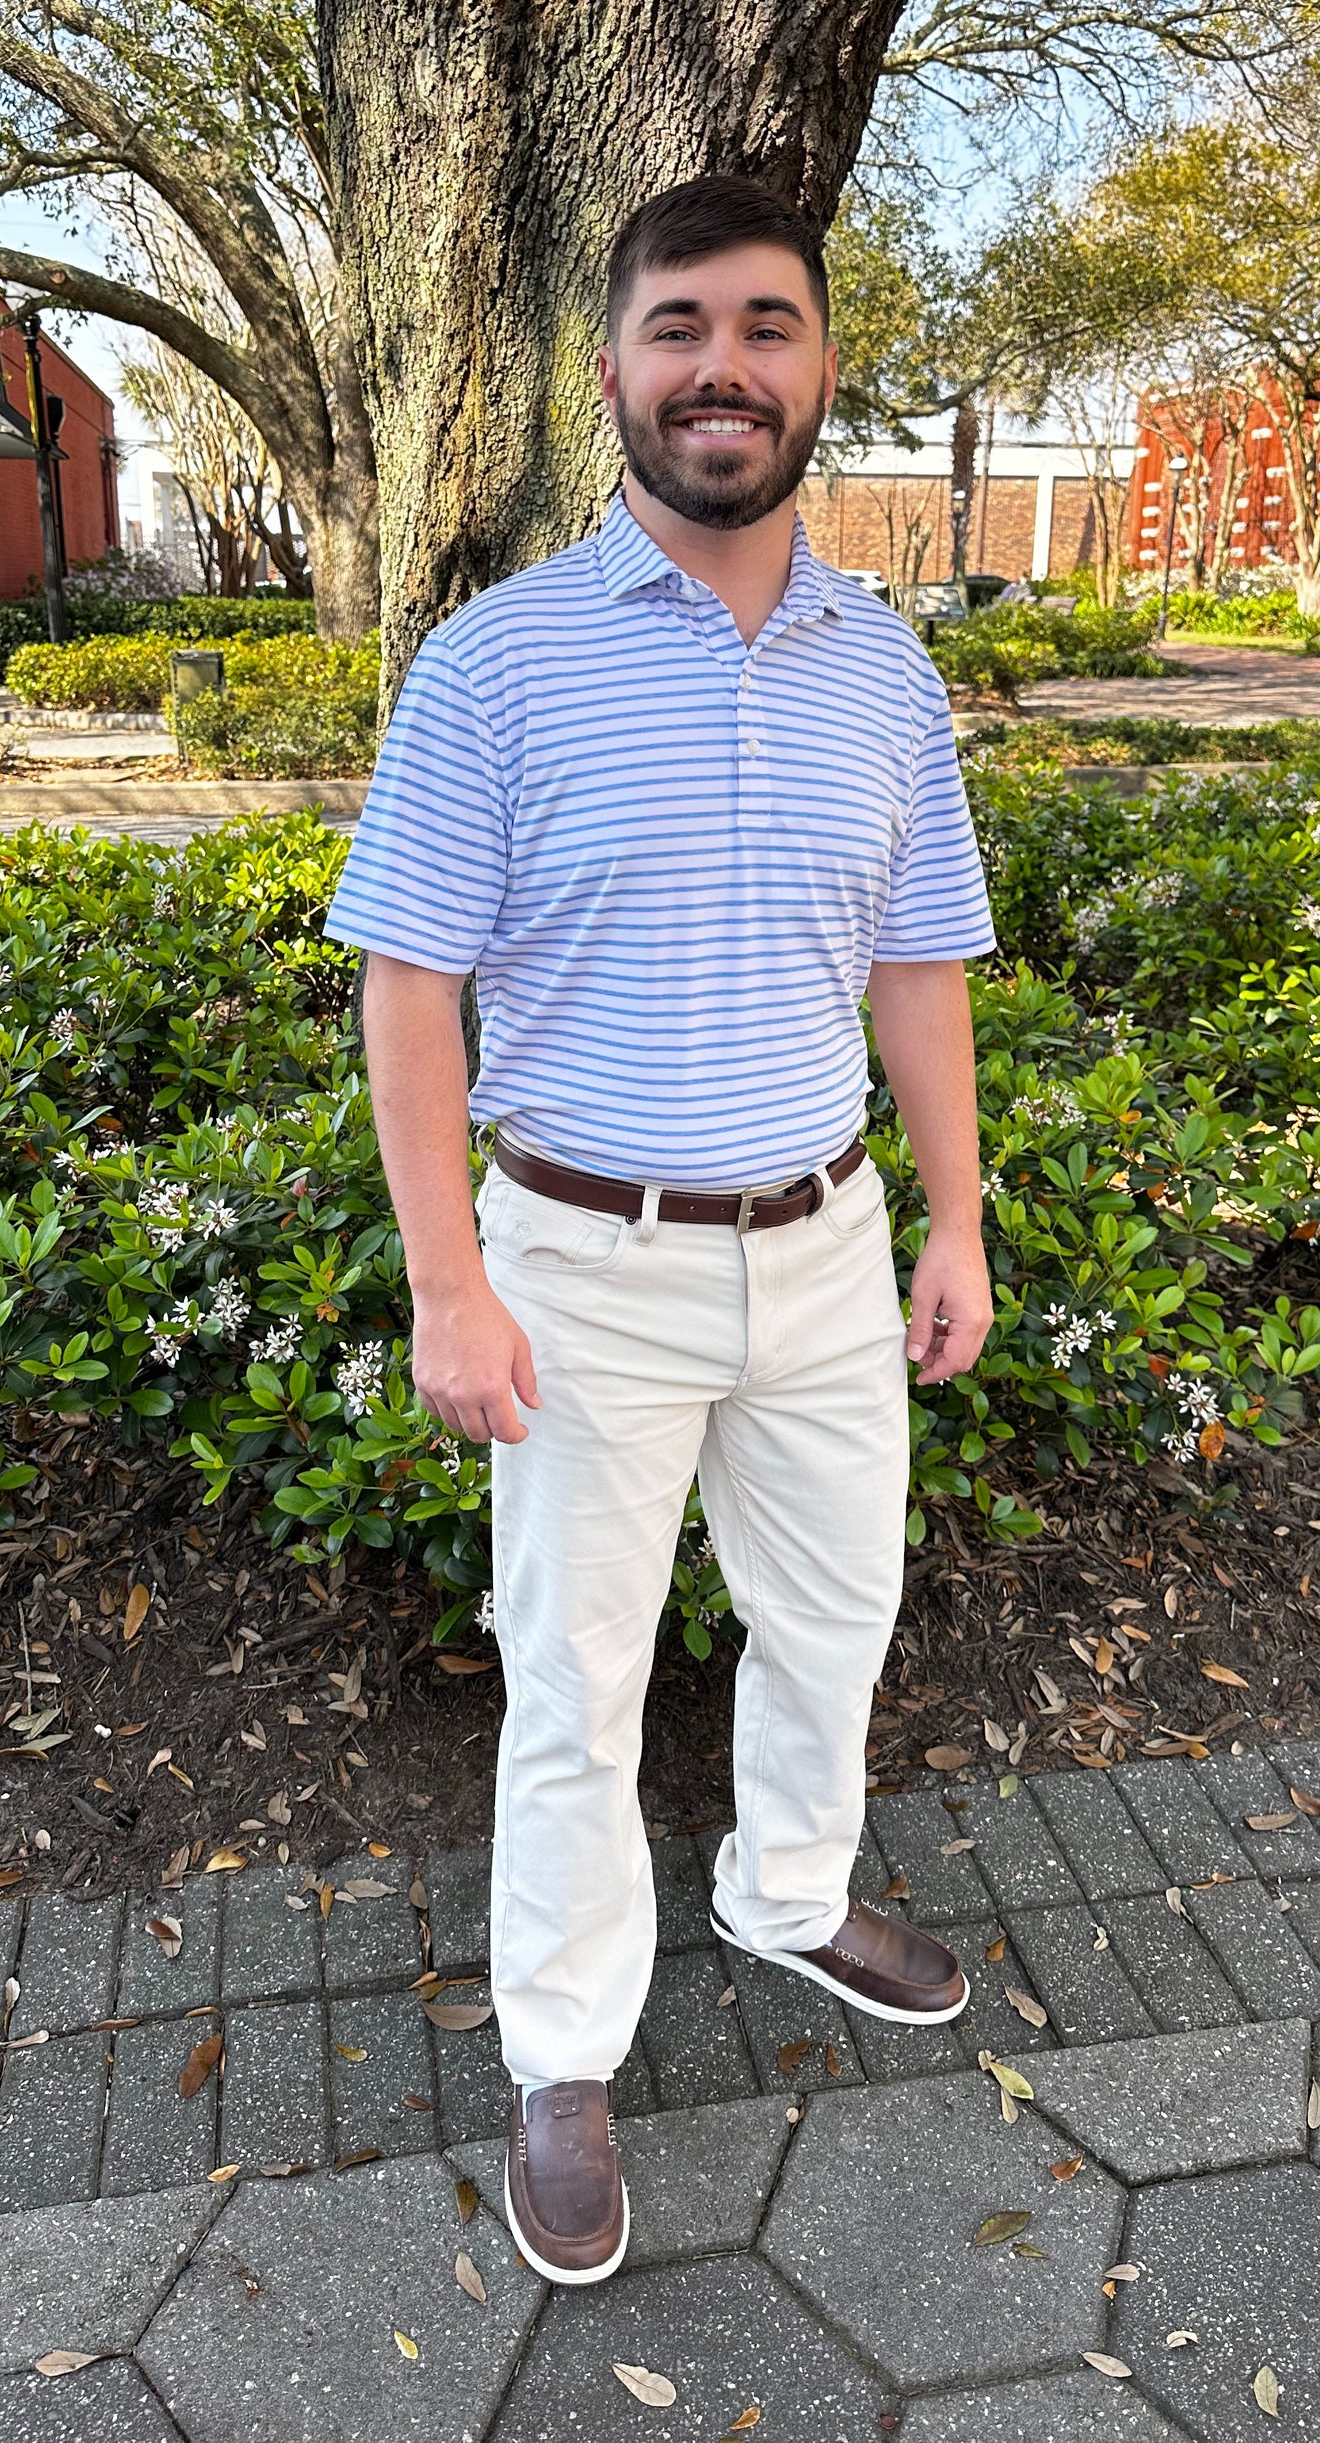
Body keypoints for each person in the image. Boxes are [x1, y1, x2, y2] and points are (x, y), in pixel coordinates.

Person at [326, 172, 995, 2286]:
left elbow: (923, 961)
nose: (725, 364)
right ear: (610, 369)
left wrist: (953, 1218)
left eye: (767, 324)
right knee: (576, 1682)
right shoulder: (495, 664)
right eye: (680, 323)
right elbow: (408, 986)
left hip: (819, 1242)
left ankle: (788, 1896)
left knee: (835, 1619)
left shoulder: (885, 669)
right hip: (580, 1263)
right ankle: (561, 2048)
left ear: (817, 363)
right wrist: (447, 1280)